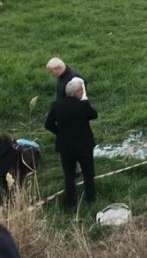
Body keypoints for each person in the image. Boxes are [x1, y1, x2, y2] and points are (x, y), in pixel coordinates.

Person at [44, 77, 98, 211]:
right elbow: (94, 115)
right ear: (78, 92)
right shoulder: (83, 105)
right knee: (88, 173)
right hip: (83, 145)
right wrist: (85, 100)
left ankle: (70, 203)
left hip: (65, 146)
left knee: (69, 174)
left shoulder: (56, 105)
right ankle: (90, 198)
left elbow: (48, 124)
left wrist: (60, 133)